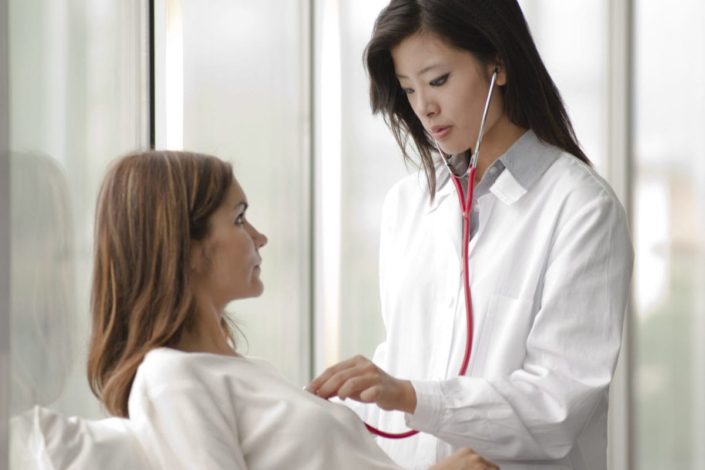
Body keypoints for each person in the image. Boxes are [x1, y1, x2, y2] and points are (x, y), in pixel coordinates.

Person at [306, 1, 634, 469]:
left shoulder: (581, 208)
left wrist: (410, 395)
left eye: (438, 80)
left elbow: (556, 404)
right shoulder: (407, 204)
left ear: (496, 63)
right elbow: (409, 352)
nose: (424, 107)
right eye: (408, 89)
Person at [86, 150, 497, 470]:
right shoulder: (170, 379)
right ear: (186, 247)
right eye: (239, 219)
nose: (259, 237)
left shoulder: (248, 372)